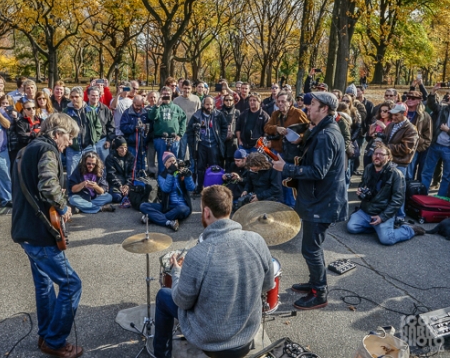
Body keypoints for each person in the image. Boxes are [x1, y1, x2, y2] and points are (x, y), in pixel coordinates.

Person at [153, 185, 274, 358]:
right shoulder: (257, 240)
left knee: (163, 296)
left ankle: (161, 355)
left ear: (207, 212)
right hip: (247, 333)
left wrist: (177, 272)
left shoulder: (199, 254)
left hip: (211, 340)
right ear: (228, 208)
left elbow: (182, 301)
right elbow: (268, 284)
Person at [11, 113, 82, 358]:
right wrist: (64, 207)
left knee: (43, 285)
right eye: (69, 136)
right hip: (39, 234)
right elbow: (48, 186)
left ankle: (45, 334)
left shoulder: (26, 150)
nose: (70, 142)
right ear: (56, 134)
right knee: (71, 284)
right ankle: (54, 340)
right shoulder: (47, 151)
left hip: (25, 230)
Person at [272, 92, 347, 310]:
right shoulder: (321, 130)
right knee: (311, 247)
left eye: (312, 104)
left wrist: (286, 168)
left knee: (311, 249)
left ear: (324, 109)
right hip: (318, 199)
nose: (308, 107)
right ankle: (315, 283)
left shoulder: (327, 135)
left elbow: (318, 171)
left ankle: (320, 293)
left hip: (322, 202)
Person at [347, 143, 426, 244]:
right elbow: (363, 186)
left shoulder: (396, 174)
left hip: (383, 212)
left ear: (388, 158)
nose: (377, 156)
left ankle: (409, 230)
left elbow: (398, 200)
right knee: (351, 227)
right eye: (375, 153)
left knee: (387, 239)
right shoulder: (368, 168)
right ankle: (376, 228)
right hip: (367, 210)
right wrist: (360, 192)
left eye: (381, 154)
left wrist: (382, 217)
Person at [383, 102, 419, 225]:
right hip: (389, 161)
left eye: (396, 115)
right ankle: (388, 214)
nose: (393, 117)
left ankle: (400, 216)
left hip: (400, 163)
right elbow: (387, 138)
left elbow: (406, 148)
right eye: (392, 114)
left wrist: (386, 147)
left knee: (398, 191)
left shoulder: (411, 129)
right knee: (387, 189)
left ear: (404, 114)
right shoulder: (392, 125)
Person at [140, 152, 194, 232]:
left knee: (181, 209)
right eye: (170, 162)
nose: (173, 164)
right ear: (165, 164)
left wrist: (188, 177)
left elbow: (191, 188)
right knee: (143, 206)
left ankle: (154, 218)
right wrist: (170, 174)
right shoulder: (162, 176)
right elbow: (166, 189)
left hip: (182, 206)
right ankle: (168, 222)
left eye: (174, 161)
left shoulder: (181, 172)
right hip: (167, 206)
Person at [186, 96, 228, 193]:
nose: (209, 106)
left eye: (211, 104)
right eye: (207, 104)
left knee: (214, 167)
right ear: (203, 105)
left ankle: (214, 188)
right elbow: (190, 131)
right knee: (200, 167)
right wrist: (193, 144)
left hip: (214, 145)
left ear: (214, 105)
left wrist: (221, 139)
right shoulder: (196, 116)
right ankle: (199, 187)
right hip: (201, 145)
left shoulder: (219, 115)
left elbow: (224, 127)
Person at [64, 87, 103, 184]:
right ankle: (72, 194)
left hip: (89, 146)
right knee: (72, 173)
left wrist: (94, 139)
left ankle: (91, 193)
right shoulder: (66, 111)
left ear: (82, 97)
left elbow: (98, 126)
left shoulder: (90, 110)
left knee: (92, 171)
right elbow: (62, 128)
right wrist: (68, 140)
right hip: (73, 147)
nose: (74, 99)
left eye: (76, 97)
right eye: (71, 97)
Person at [148, 86, 186, 174]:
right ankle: (162, 183)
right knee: (162, 162)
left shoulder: (176, 108)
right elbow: (152, 117)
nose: (166, 96)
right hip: (160, 139)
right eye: (164, 94)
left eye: (168, 94)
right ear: (161, 95)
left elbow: (184, 119)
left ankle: (174, 181)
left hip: (174, 139)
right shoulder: (157, 107)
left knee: (174, 162)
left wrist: (180, 134)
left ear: (171, 95)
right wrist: (157, 105)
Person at [422, 83, 450, 197]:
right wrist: (433, 92)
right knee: (427, 172)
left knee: (447, 176)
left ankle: (441, 198)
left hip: (448, 149)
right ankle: (422, 195)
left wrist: (448, 130)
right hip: (435, 145)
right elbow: (432, 105)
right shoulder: (443, 109)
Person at [405, 90, 432, 181]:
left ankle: (412, 193)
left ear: (419, 100)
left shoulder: (425, 116)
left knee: (410, 174)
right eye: (408, 98)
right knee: (402, 175)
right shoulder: (400, 113)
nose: (409, 100)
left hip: (415, 149)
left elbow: (428, 138)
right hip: (400, 148)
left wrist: (417, 147)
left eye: (413, 98)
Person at [120, 95, 150, 175]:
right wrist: (134, 127)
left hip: (142, 144)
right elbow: (123, 127)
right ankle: (131, 180)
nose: (139, 107)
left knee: (142, 163)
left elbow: (149, 126)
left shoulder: (145, 113)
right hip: (131, 144)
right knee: (131, 163)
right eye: (137, 105)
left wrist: (146, 127)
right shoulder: (127, 113)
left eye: (141, 105)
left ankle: (141, 180)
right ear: (133, 103)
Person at [173, 80, 201, 162]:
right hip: (182, 130)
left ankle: (192, 171)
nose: (187, 91)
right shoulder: (176, 101)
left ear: (192, 88)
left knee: (193, 152)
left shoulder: (196, 99)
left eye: (189, 88)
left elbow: (199, 113)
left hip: (193, 129)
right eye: (185, 88)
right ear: (182, 88)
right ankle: (180, 170)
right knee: (181, 151)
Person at [86, 87, 115, 162]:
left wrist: (109, 140)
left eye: (96, 95)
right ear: (88, 96)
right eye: (92, 95)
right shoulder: (83, 109)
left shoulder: (105, 109)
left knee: (103, 164)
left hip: (102, 141)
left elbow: (111, 126)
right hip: (87, 142)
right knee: (89, 164)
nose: (95, 97)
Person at [105, 136, 135, 203]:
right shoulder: (110, 158)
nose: (124, 150)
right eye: (121, 148)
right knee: (117, 197)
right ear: (116, 149)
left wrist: (127, 185)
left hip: (127, 183)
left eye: (125, 148)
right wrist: (120, 186)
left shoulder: (131, 157)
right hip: (116, 183)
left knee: (133, 195)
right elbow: (111, 174)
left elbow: (132, 173)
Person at [219, 94, 241, 169]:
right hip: (222, 139)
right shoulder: (219, 112)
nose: (228, 102)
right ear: (224, 101)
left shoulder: (237, 112)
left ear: (233, 101)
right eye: (226, 100)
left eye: (230, 100)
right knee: (221, 159)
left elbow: (239, 127)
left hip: (233, 139)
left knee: (232, 160)